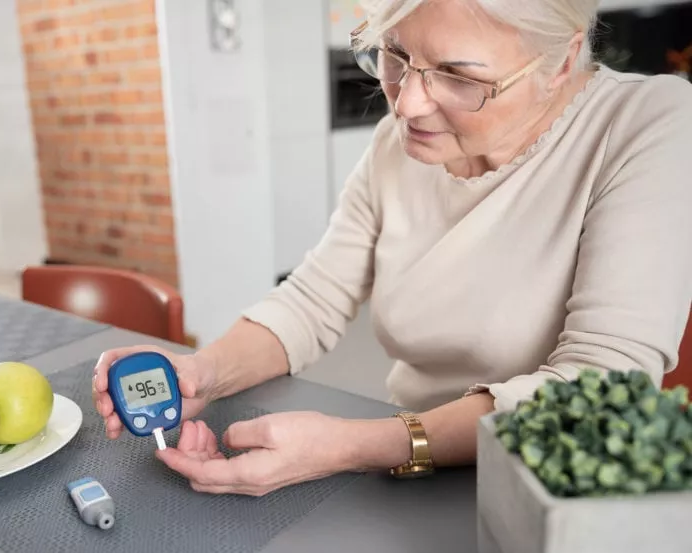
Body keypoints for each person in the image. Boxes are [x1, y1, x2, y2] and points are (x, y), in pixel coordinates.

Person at [94, 0, 692, 496]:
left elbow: (604, 385)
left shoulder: (648, 124)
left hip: (552, 484)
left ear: (560, 61)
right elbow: (312, 298)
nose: (405, 103)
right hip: (409, 473)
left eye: (460, 76)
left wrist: (359, 446)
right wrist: (205, 374)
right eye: (395, 55)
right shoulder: (394, 147)